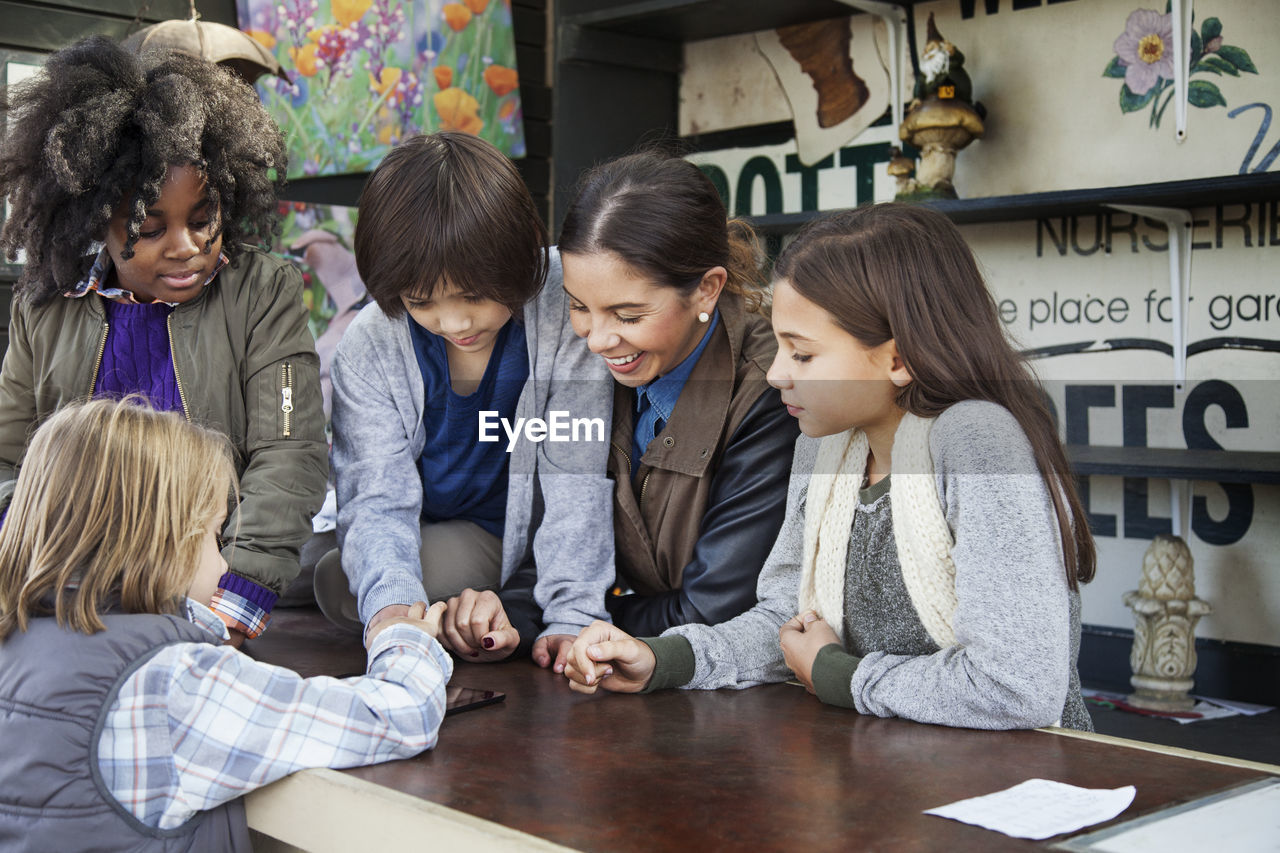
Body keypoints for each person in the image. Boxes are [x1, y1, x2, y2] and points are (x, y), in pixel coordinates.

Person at [564, 203, 1097, 731]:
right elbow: (786, 624)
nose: (775, 375)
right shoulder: (825, 446)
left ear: (897, 359)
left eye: (802, 354)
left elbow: (1017, 687)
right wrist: (662, 659)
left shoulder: (976, 439)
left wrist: (842, 676)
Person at [0, 398, 451, 851]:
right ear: (163, 539)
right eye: (215, 536)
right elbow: (400, 715)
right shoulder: (173, 684)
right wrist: (403, 638)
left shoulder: (15, 638)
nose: (221, 566)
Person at [0, 37, 328, 644]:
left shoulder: (263, 291)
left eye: (202, 219)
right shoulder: (43, 307)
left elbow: (289, 447)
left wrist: (246, 586)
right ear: (94, 216)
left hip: (206, 580)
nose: (185, 247)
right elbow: (7, 457)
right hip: (65, 588)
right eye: (150, 228)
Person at [450, 150, 800, 667]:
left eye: (629, 314)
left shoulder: (770, 390)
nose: (597, 339)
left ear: (707, 287)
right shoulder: (593, 366)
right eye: (577, 306)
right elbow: (559, 534)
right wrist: (510, 617)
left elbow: (715, 605)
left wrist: (580, 625)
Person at [312, 132, 614, 667]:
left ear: (515, 256)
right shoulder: (372, 340)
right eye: (422, 302)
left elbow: (576, 480)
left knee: (335, 579)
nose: (455, 324)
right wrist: (394, 612)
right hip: (416, 516)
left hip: (501, 535)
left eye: (474, 295)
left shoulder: (568, 307)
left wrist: (573, 618)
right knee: (313, 564)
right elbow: (377, 497)